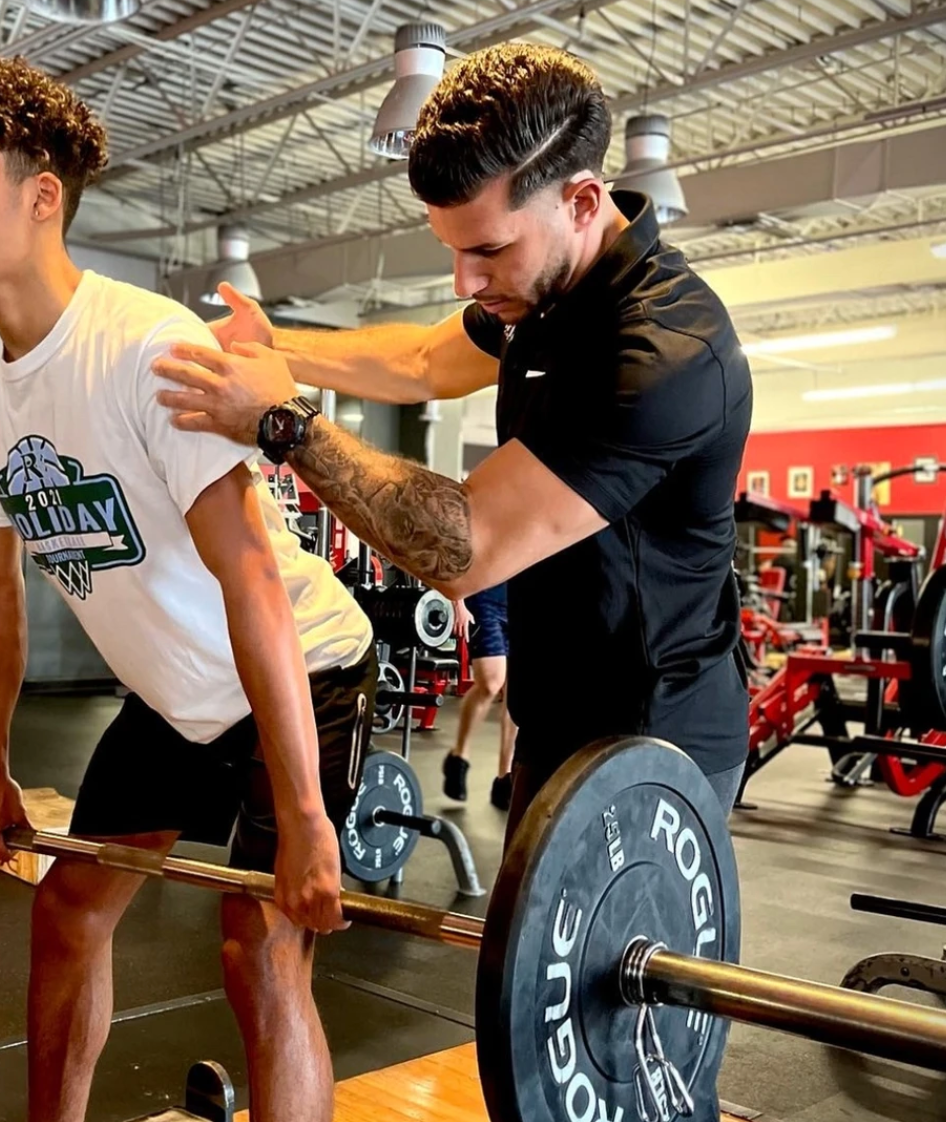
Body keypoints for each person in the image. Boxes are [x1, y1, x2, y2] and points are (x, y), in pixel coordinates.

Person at [0, 54, 376, 1122]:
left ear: (40, 195)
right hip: (173, 701)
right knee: (67, 914)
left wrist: (302, 816)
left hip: (300, 670)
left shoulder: (149, 344)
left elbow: (247, 571)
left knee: (258, 945)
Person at [153, 42, 753, 843]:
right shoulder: (544, 295)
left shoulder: (662, 352)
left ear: (580, 202)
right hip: (559, 719)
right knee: (524, 973)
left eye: (489, 250)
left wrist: (283, 422)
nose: (464, 281)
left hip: (658, 738)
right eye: (452, 249)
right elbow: (423, 361)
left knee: (618, 975)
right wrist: (275, 349)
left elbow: (467, 548)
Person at [445, 583, 517, 810]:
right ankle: (459, 756)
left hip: (520, 602)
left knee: (516, 690)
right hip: (483, 599)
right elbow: (459, 556)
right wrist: (458, 602)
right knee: (490, 683)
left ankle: (504, 778)